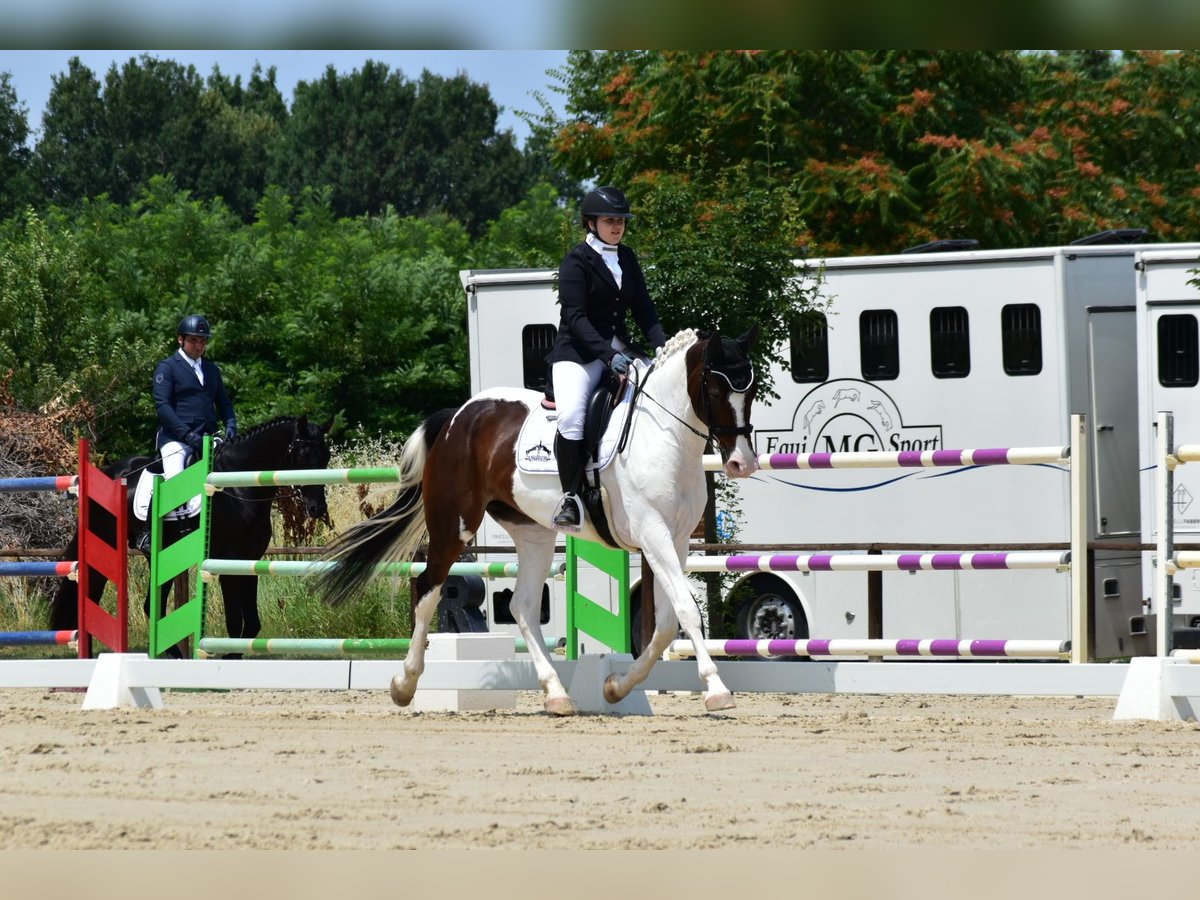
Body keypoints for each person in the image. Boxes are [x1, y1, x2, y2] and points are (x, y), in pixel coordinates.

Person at [546, 186, 668, 531]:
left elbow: (644, 308)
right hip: (578, 353)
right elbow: (575, 317)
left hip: (618, 348)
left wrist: (662, 346)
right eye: (610, 220)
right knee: (571, 417)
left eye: (621, 221)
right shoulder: (575, 261)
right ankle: (570, 497)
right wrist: (607, 355)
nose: (617, 226)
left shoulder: (627, 257)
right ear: (591, 223)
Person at [133, 314, 237, 552]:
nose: (199, 345)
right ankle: (147, 533)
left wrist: (231, 425)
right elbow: (163, 407)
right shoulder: (167, 368)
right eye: (193, 340)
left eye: (202, 341)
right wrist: (188, 436)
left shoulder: (211, 370)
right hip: (176, 438)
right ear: (181, 340)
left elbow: (224, 403)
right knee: (175, 476)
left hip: (208, 436)